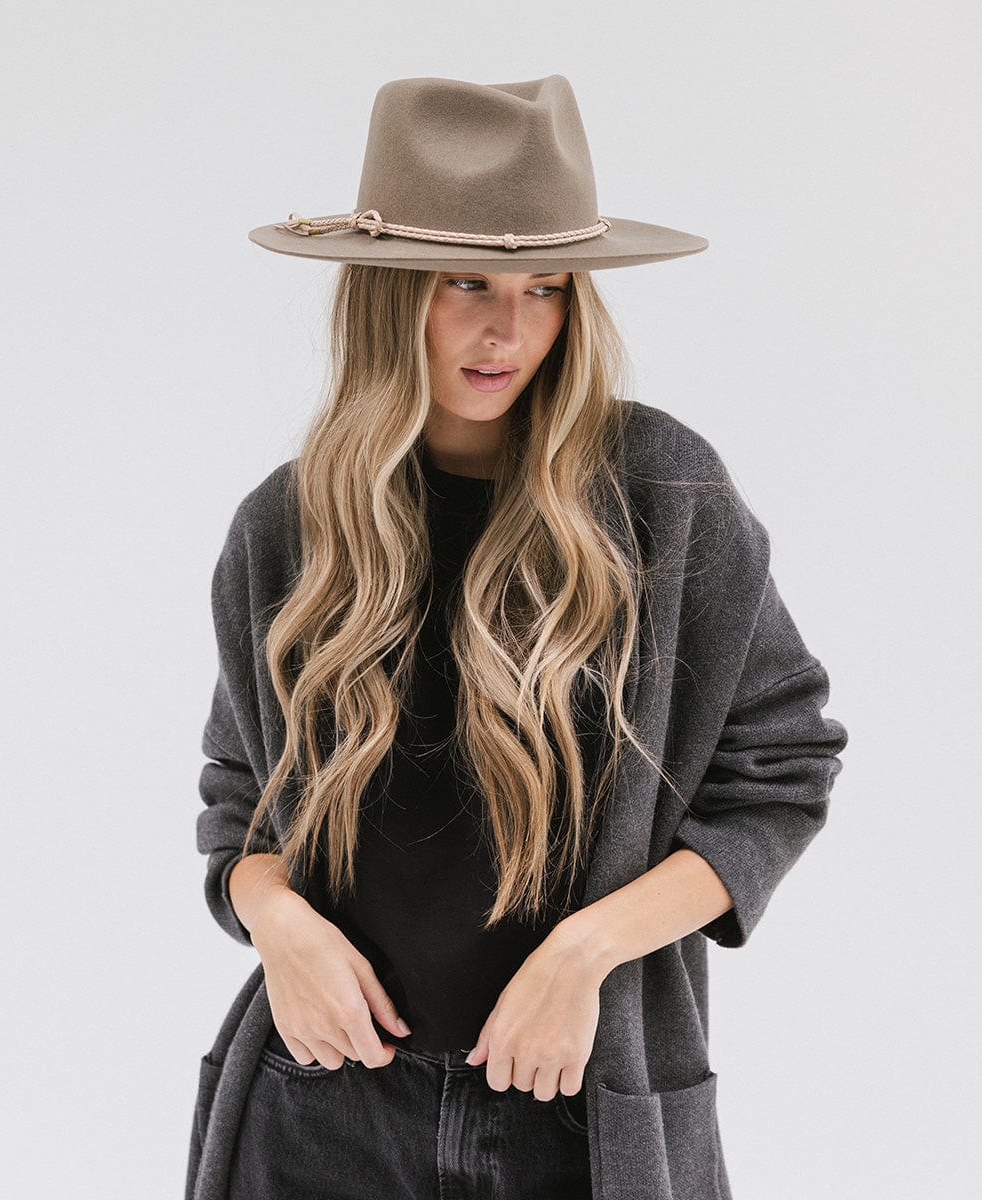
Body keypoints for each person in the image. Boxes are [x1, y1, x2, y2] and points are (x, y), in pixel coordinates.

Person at [186, 74, 848, 1200]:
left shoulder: (662, 498)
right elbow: (238, 799)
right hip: (320, 1110)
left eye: (546, 289)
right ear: (387, 296)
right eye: (464, 285)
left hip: (573, 1113)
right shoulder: (287, 529)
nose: (510, 329)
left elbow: (781, 776)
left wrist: (584, 954)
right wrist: (277, 922)